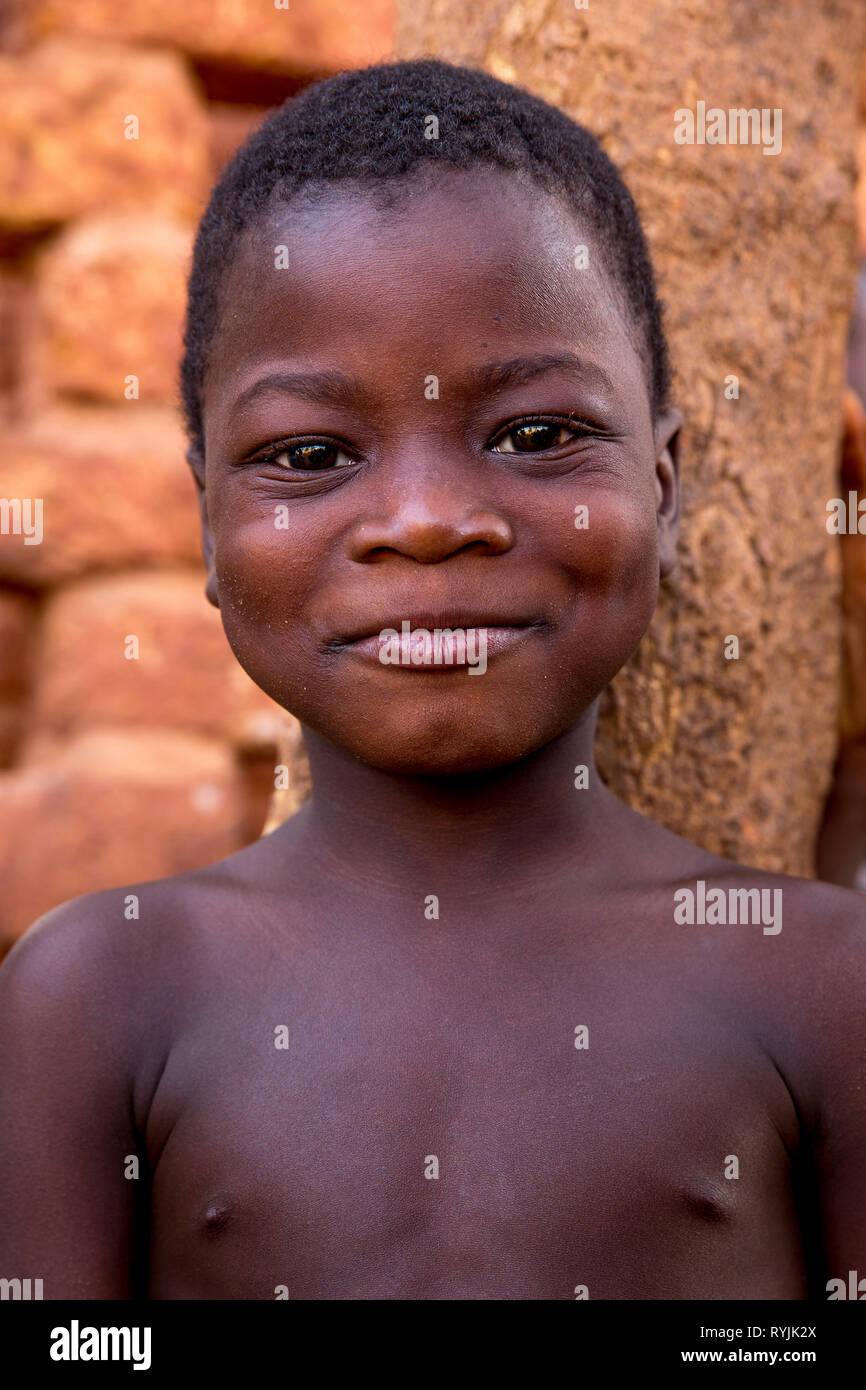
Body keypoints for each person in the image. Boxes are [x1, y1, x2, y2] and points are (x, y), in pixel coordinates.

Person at [1, 58, 864, 1301]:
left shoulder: (815, 982)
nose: (424, 520)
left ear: (664, 488)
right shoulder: (106, 990)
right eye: (309, 454)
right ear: (207, 524)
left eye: (534, 435)